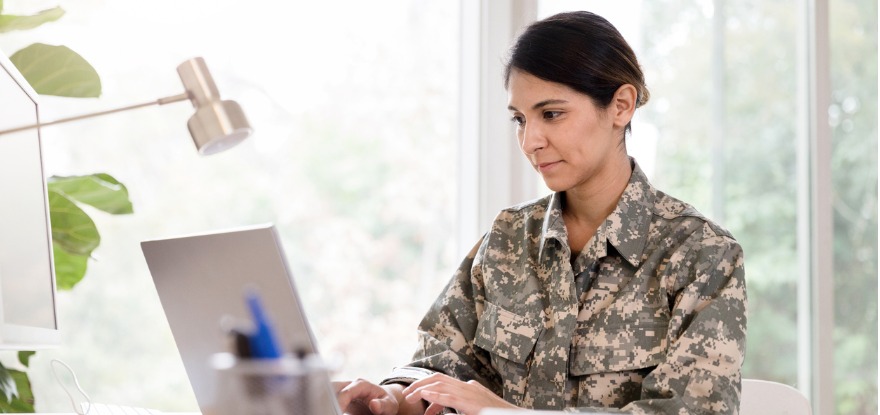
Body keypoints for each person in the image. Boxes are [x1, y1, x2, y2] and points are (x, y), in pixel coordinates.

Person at [335, 10, 747, 415]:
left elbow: (689, 411)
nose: (530, 140)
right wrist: (393, 398)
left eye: (551, 114)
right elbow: (439, 362)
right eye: (519, 119)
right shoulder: (509, 238)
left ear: (621, 106)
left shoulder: (702, 255)